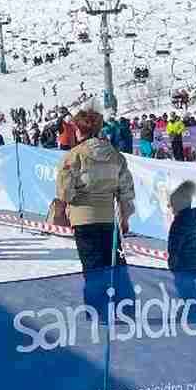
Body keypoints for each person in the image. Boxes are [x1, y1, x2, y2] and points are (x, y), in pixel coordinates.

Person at [55, 109, 135, 272]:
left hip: (83, 220)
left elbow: (65, 192)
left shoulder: (74, 156)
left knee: (93, 272)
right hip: (109, 221)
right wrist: (125, 218)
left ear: (79, 130)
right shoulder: (116, 156)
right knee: (116, 272)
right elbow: (126, 191)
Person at [167, 180, 196, 273]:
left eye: (172, 205)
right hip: (194, 266)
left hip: (181, 267)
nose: (170, 208)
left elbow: (175, 246)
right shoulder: (193, 220)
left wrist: (172, 263)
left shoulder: (179, 224)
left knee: (183, 287)